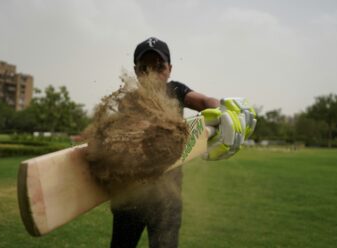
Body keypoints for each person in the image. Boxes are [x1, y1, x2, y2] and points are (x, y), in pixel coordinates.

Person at [109, 37, 255, 248]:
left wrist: (223, 112)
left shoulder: (175, 90)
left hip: (167, 200)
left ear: (170, 69)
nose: (153, 73)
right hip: (130, 198)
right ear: (136, 70)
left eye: (160, 66)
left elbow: (205, 102)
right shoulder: (128, 101)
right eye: (145, 67)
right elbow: (137, 130)